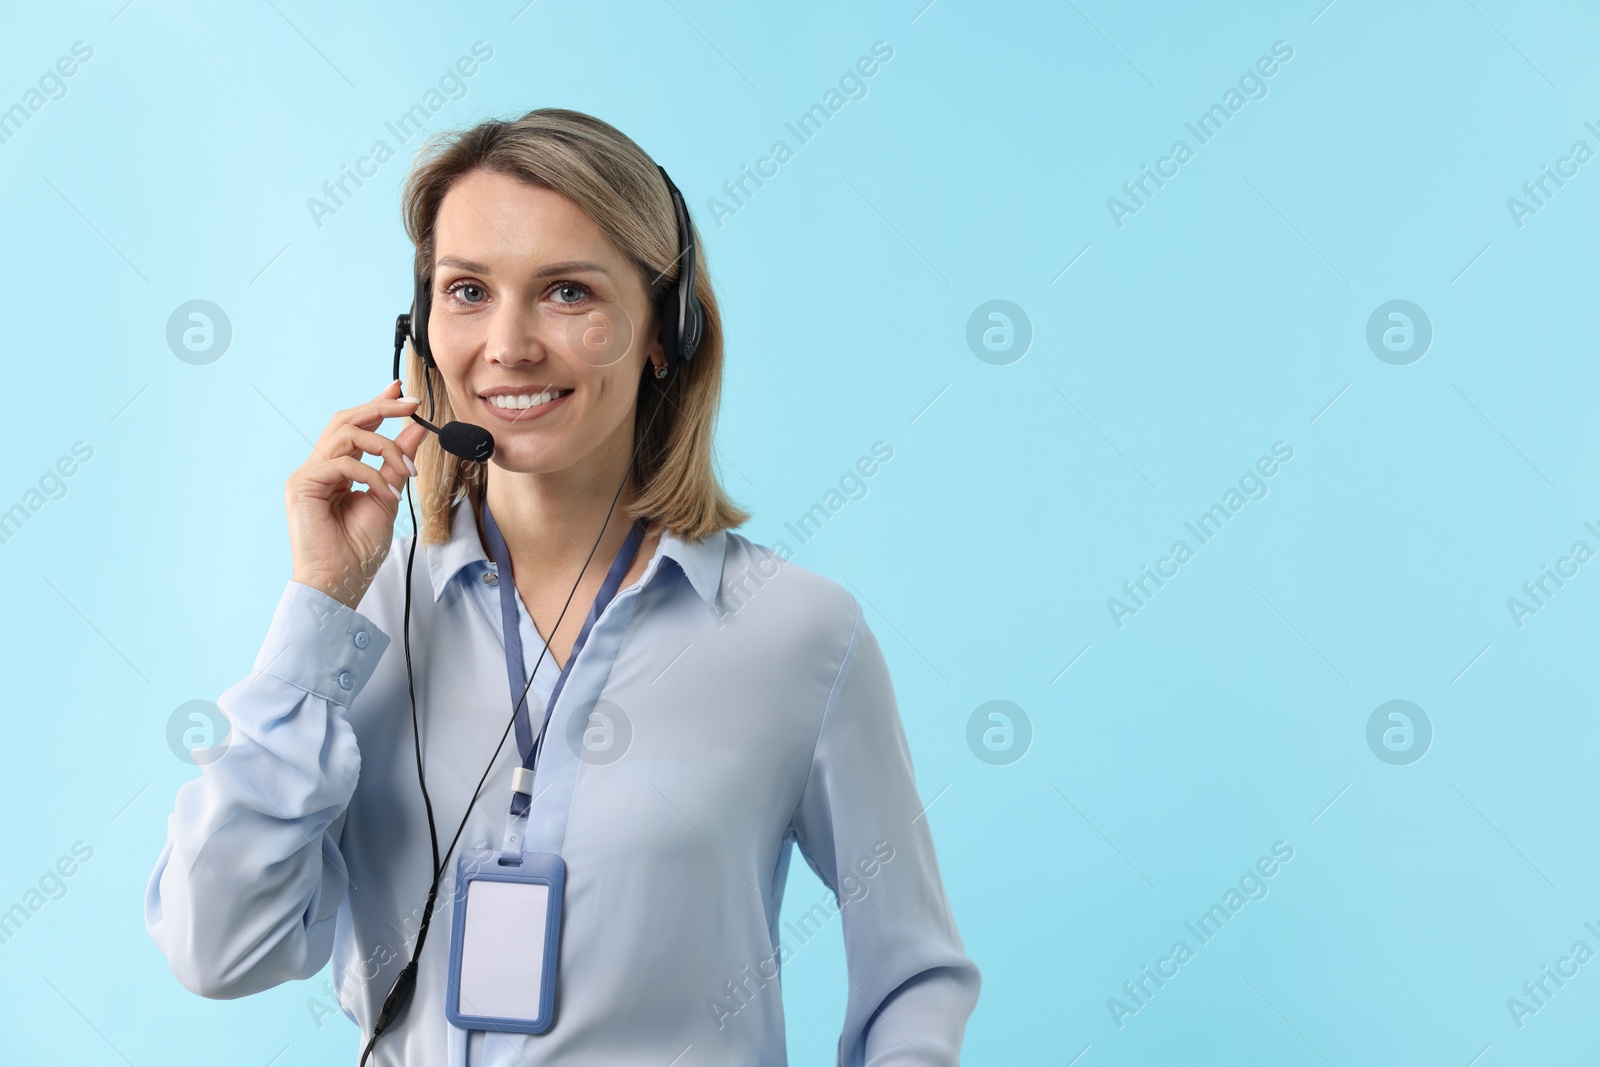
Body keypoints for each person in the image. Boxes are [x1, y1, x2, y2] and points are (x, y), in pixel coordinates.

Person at [144, 108, 979, 1066]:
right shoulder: (357, 629)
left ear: (665, 330)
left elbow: (915, 977)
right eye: (468, 290)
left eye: (567, 292)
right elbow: (216, 947)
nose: (509, 344)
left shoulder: (799, 634)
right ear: (420, 332)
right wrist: (316, 611)